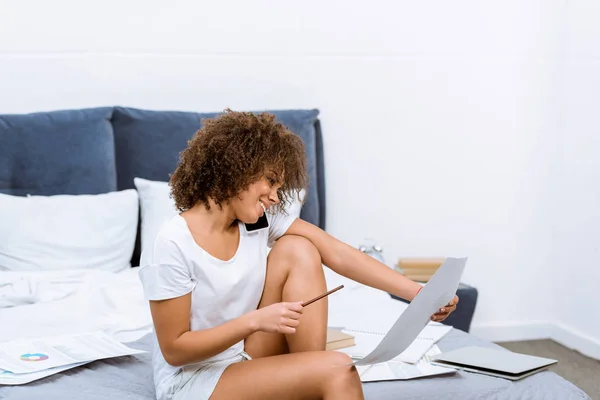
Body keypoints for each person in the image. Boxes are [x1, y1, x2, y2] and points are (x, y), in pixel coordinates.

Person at [138, 110, 459, 400]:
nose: (276, 197)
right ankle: (319, 376)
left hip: (243, 354)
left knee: (300, 248)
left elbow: (336, 252)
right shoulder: (172, 243)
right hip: (193, 381)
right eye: (270, 182)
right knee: (338, 368)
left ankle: (310, 374)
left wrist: (420, 294)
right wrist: (254, 321)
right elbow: (175, 350)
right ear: (236, 170)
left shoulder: (258, 222)